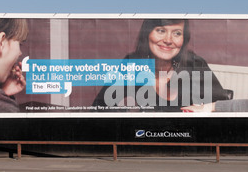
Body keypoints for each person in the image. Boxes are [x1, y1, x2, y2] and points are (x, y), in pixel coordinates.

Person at [92, 19, 232, 112]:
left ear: (184, 39)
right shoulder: (132, 62)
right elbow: (99, 108)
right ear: (147, 35)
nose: (168, 40)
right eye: (161, 30)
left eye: (177, 33)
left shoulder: (195, 64)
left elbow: (220, 108)